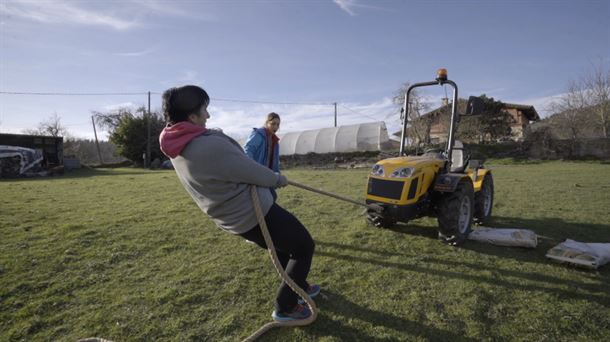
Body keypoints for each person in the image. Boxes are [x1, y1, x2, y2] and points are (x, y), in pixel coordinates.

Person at [158, 85, 319, 322]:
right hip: (252, 212)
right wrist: (276, 179)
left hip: (232, 217)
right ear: (192, 116)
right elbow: (249, 169)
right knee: (304, 246)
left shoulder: (176, 144)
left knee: (285, 247)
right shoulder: (206, 145)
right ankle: (286, 306)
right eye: (204, 110)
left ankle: (298, 285)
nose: (208, 116)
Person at [244, 113, 281, 200]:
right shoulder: (258, 135)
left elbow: (274, 161)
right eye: (273, 124)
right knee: (269, 198)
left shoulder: (275, 141)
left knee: (272, 197)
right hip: (257, 175)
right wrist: (253, 168)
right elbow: (248, 150)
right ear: (267, 123)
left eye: (278, 124)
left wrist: (277, 176)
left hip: (266, 175)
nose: (275, 127)